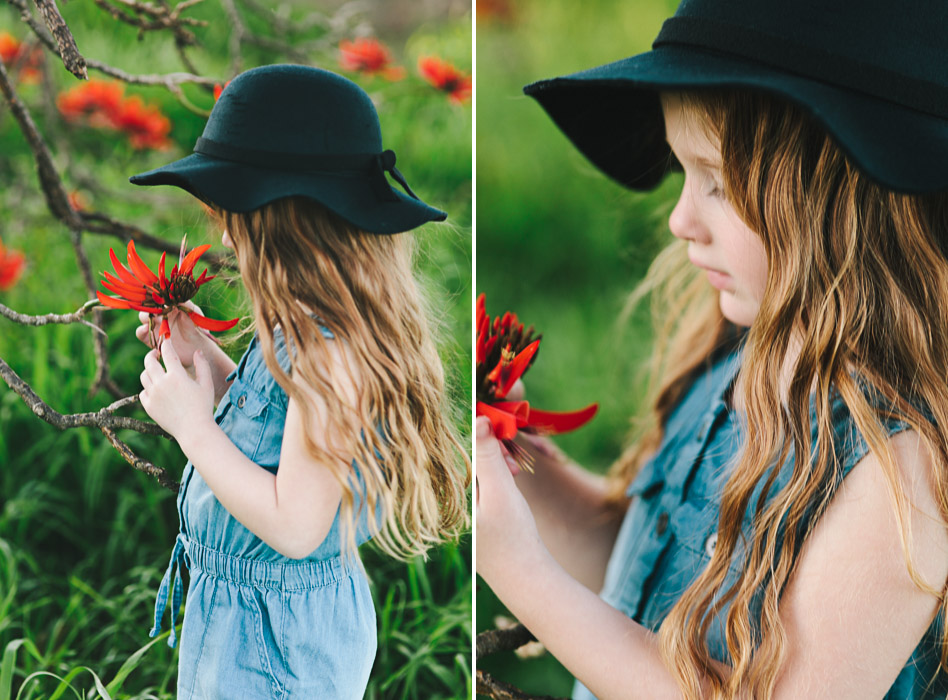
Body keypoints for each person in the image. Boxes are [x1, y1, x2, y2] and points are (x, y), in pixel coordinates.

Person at [475, 1, 948, 698]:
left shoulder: (903, 470)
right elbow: (641, 581)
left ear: (840, 205)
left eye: (717, 183)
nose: (679, 219)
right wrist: (518, 467)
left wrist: (520, 571)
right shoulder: (740, 359)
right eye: (681, 171)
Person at [129, 64, 470, 698]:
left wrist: (191, 427)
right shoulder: (299, 331)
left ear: (281, 225)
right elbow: (277, 437)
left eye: (234, 217)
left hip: (276, 655)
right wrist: (207, 364)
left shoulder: (329, 354)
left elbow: (295, 524)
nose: (226, 236)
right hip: (242, 627)